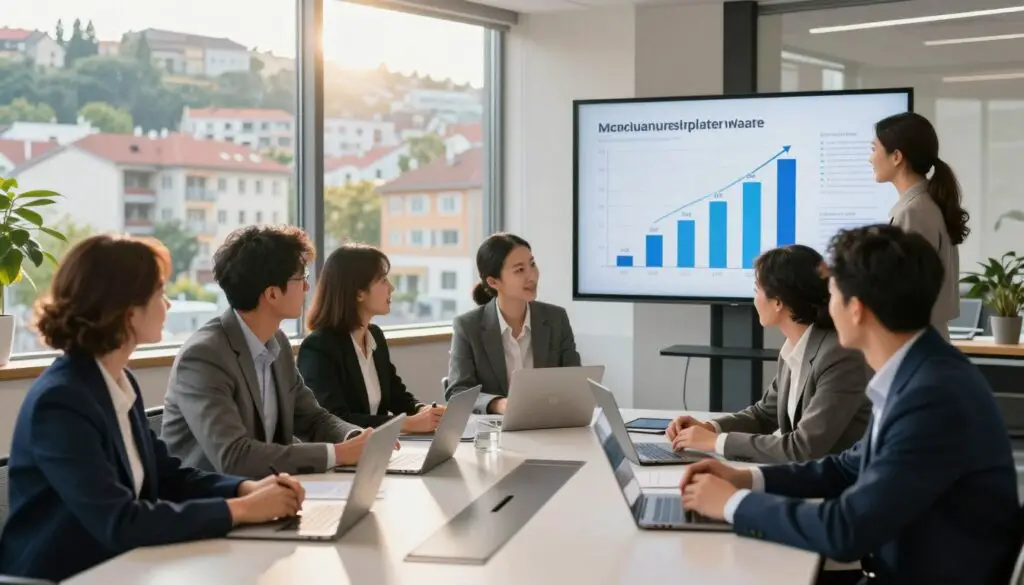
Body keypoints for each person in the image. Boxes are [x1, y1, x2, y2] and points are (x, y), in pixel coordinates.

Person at [680, 224, 1020, 585]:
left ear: (856, 308)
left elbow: (846, 529)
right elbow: (848, 467)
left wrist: (732, 504)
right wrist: (746, 478)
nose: (826, 306)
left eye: (832, 294)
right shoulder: (918, 372)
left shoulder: (931, 396)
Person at [0, 235, 305, 582]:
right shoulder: (61, 401)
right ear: (128, 312)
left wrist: (244, 489)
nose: (169, 305)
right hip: (61, 578)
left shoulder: (116, 382)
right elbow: (120, 521)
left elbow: (169, 475)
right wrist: (241, 510)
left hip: (123, 568)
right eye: (160, 293)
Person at [162, 226, 380, 478]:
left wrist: (356, 438)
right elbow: (235, 457)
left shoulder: (276, 342)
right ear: (272, 293)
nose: (307, 288)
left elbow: (312, 418)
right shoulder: (204, 356)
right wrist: (339, 454)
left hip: (268, 493)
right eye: (302, 278)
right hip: (213, 505)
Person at [666, 245, 871, 464]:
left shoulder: (839, 356)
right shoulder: (795, 348)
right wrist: (708, 428)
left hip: (840, 488)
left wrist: (715, 442)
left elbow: (802, 448)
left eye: (757, 290)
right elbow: (764, 414)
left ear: (778, 302)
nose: (754, 299)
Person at [298, 244, 445, 431]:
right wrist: (406, 424)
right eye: (383, 280)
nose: (391, 288)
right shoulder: (319, 347)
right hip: (346, 455)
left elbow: (396, 395)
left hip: (381, 449)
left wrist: (423, 410)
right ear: (359, 292)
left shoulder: (375, 335)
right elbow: (335, 419)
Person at [446, 232, 581, 415]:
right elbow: (459, 392)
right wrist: (498, 404)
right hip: (496, 433)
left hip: (549, 425)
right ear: (493, 282)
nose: (532, 276)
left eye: (532, 264)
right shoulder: (468, 326)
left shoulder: (556, 318)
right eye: (519, 270)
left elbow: (575, 382)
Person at [871, 112, 969, 339]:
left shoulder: (912, 213)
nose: (870, 158)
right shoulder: (924, 204)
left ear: (896, 156)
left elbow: (904, 292)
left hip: (916, 340)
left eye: (873, 149)